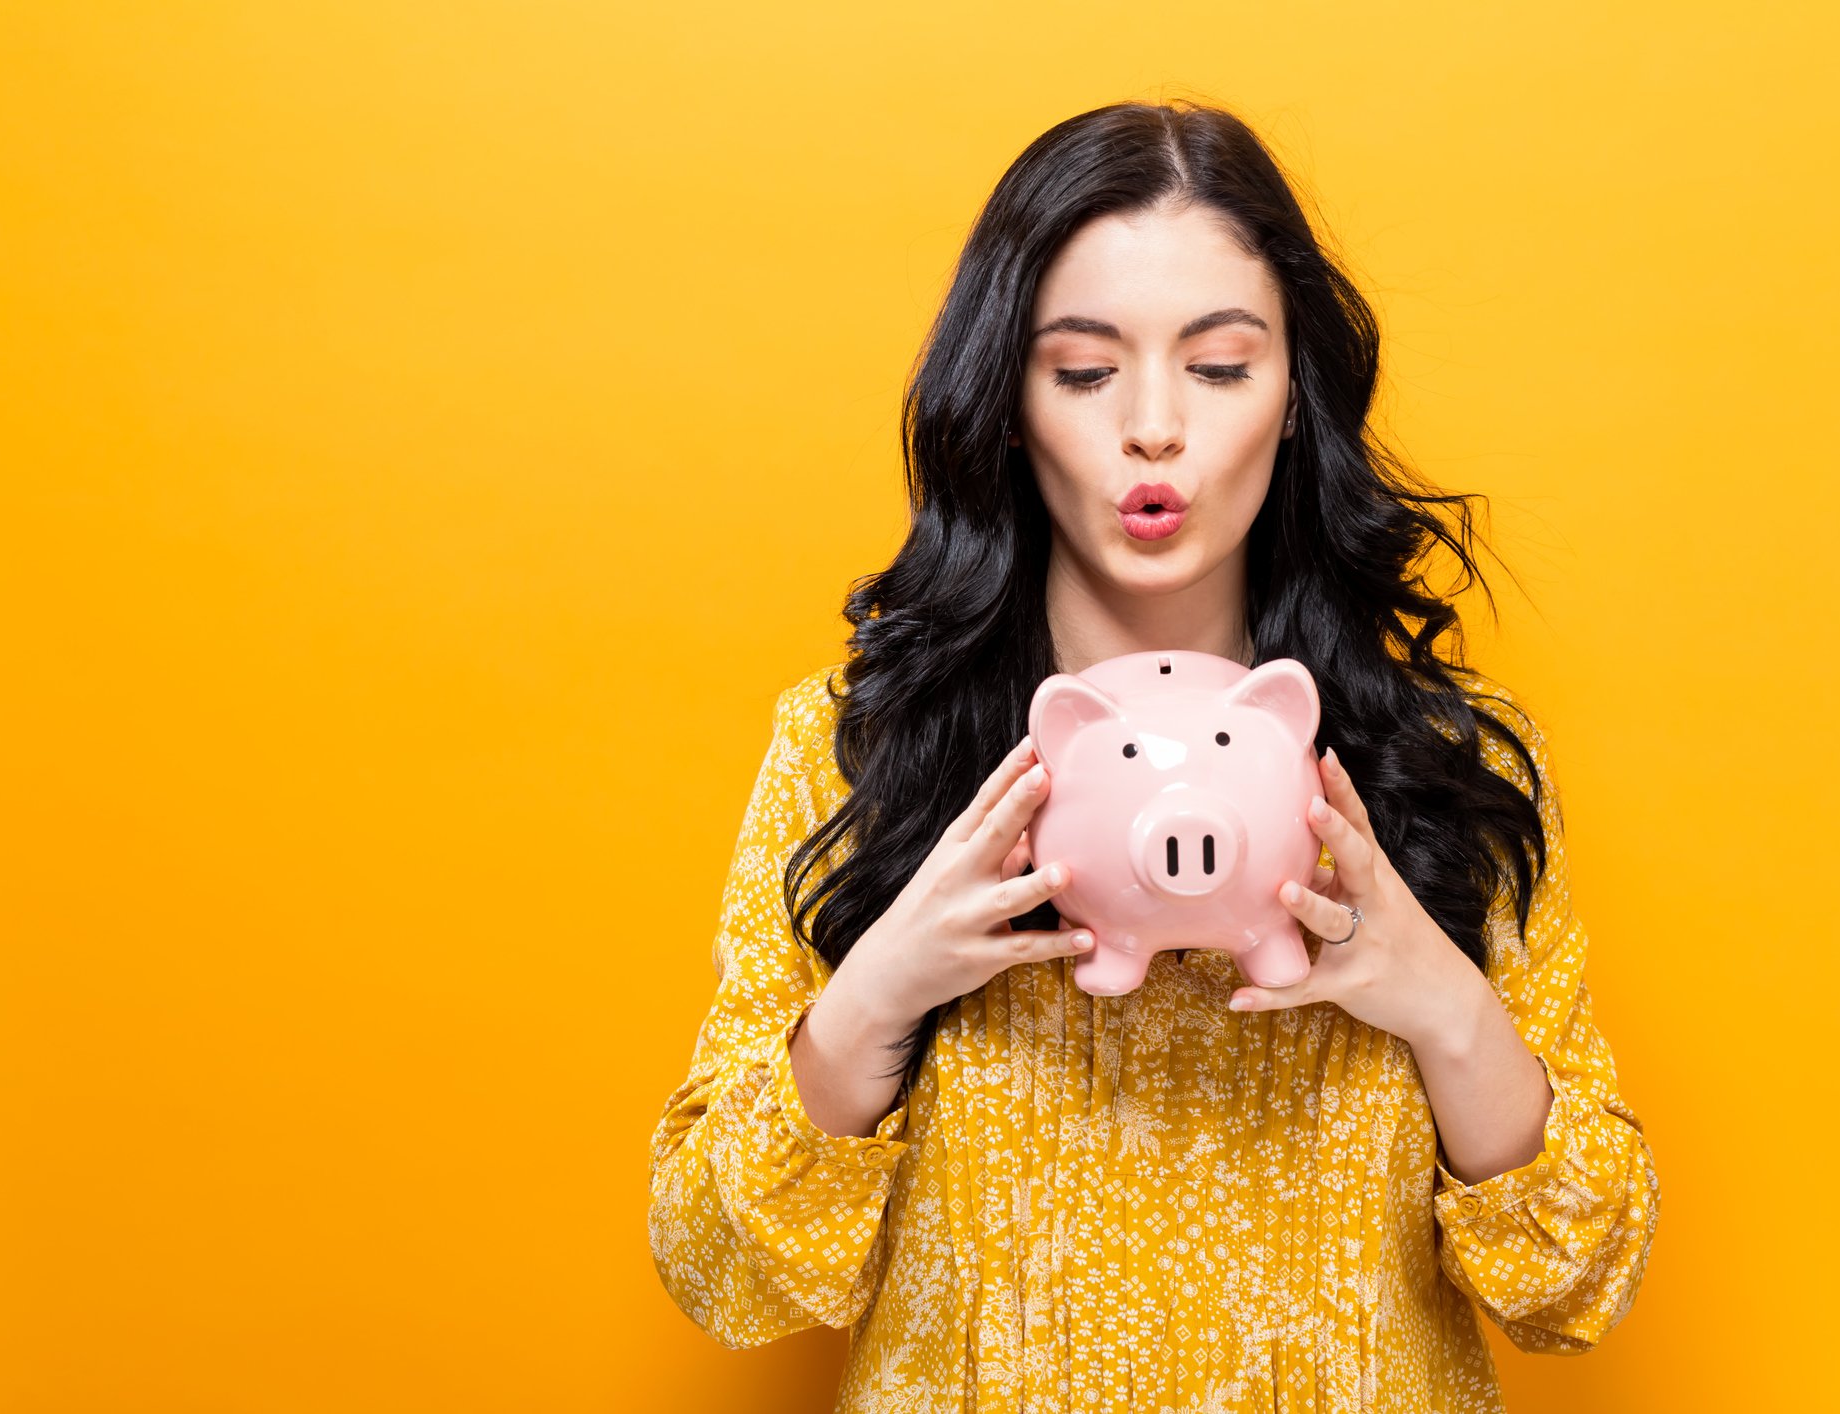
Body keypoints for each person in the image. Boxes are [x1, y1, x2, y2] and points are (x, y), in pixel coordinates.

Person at [647, 98, 1660, 1411]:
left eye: (1221, 367)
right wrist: (875, 995)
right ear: (1007, 405)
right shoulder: (860, 748)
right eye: (1080, 372)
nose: (1152, 428)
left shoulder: (1442, 762)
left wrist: (1441, 1003)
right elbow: (723, 1272)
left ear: (1295, 398)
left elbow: (1579, 1287)